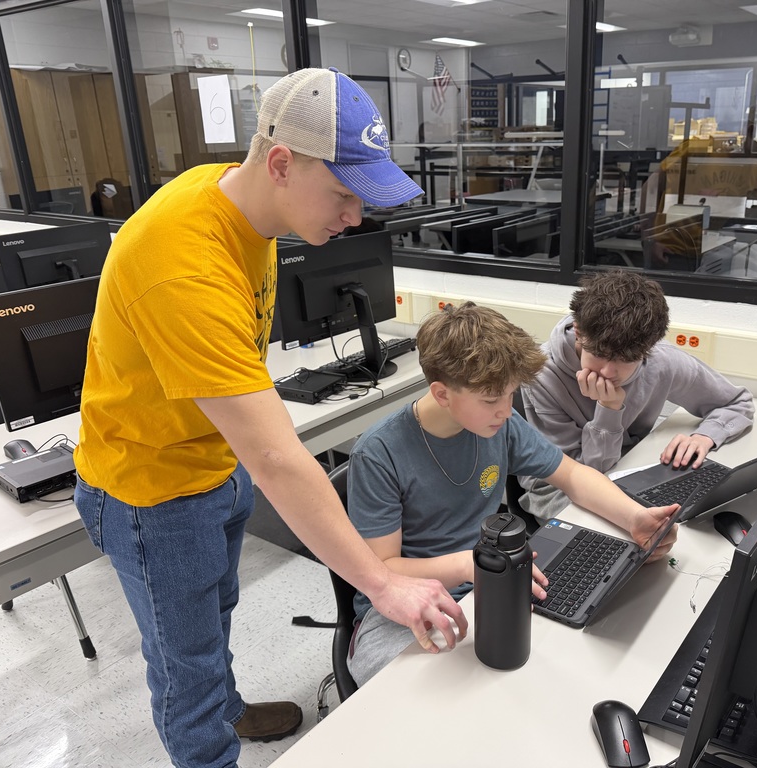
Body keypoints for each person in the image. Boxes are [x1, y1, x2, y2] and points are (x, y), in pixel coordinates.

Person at [72, 68, 467, 768]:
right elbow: (280, 458)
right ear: (281, 162)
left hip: (209, 463)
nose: (355, 217)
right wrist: (382, 585)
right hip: (151, 489)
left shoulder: (248, 204)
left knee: (211, 619)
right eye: (344, 195)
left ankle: (231, 709)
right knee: (183, 664)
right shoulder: (182, 260)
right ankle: (209, 738)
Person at [344, 302, 678, 686]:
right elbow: (381, 570)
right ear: (442, 394)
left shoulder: (499, 423)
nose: (506, 410)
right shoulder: (379, 454)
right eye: (491, 400)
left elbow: (571, 475)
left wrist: (634, 517)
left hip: (490, 582)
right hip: (402, 606)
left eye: (510, 395)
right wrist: (471, 566)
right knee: (425, 696)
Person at [521, 271, 754, 521]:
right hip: (558, 487)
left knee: (686, 522)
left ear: (648, 349)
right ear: (578, 331)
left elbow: (737, 402)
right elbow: (583, 474)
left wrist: (705, 436)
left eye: (627, 360)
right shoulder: (541, 375)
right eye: (599, 353)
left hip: (628, 470)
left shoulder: (660, 362)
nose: (609, 371)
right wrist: (608, 409)